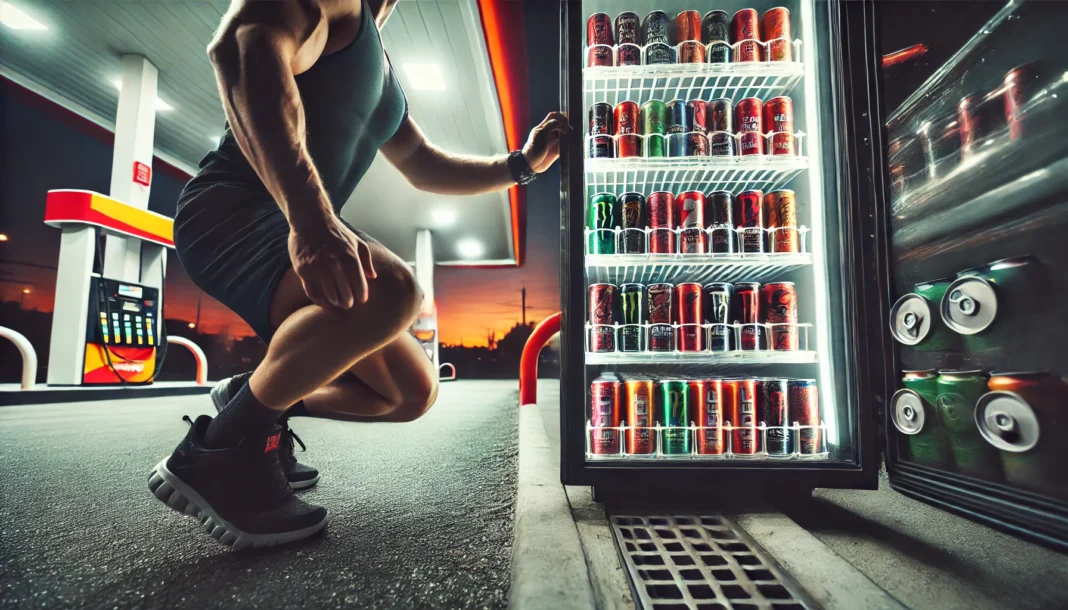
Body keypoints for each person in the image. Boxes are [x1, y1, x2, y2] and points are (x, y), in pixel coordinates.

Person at [147, 0, 567, 550]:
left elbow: (425, 163)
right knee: (392, 291)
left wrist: (522, 165)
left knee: (412, 393)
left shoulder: (380, 65)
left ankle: (253, 403)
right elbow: (237, 46)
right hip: (234, 209)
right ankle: (223, 452)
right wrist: (311, 220)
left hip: (293, 218)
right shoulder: (329, 6)